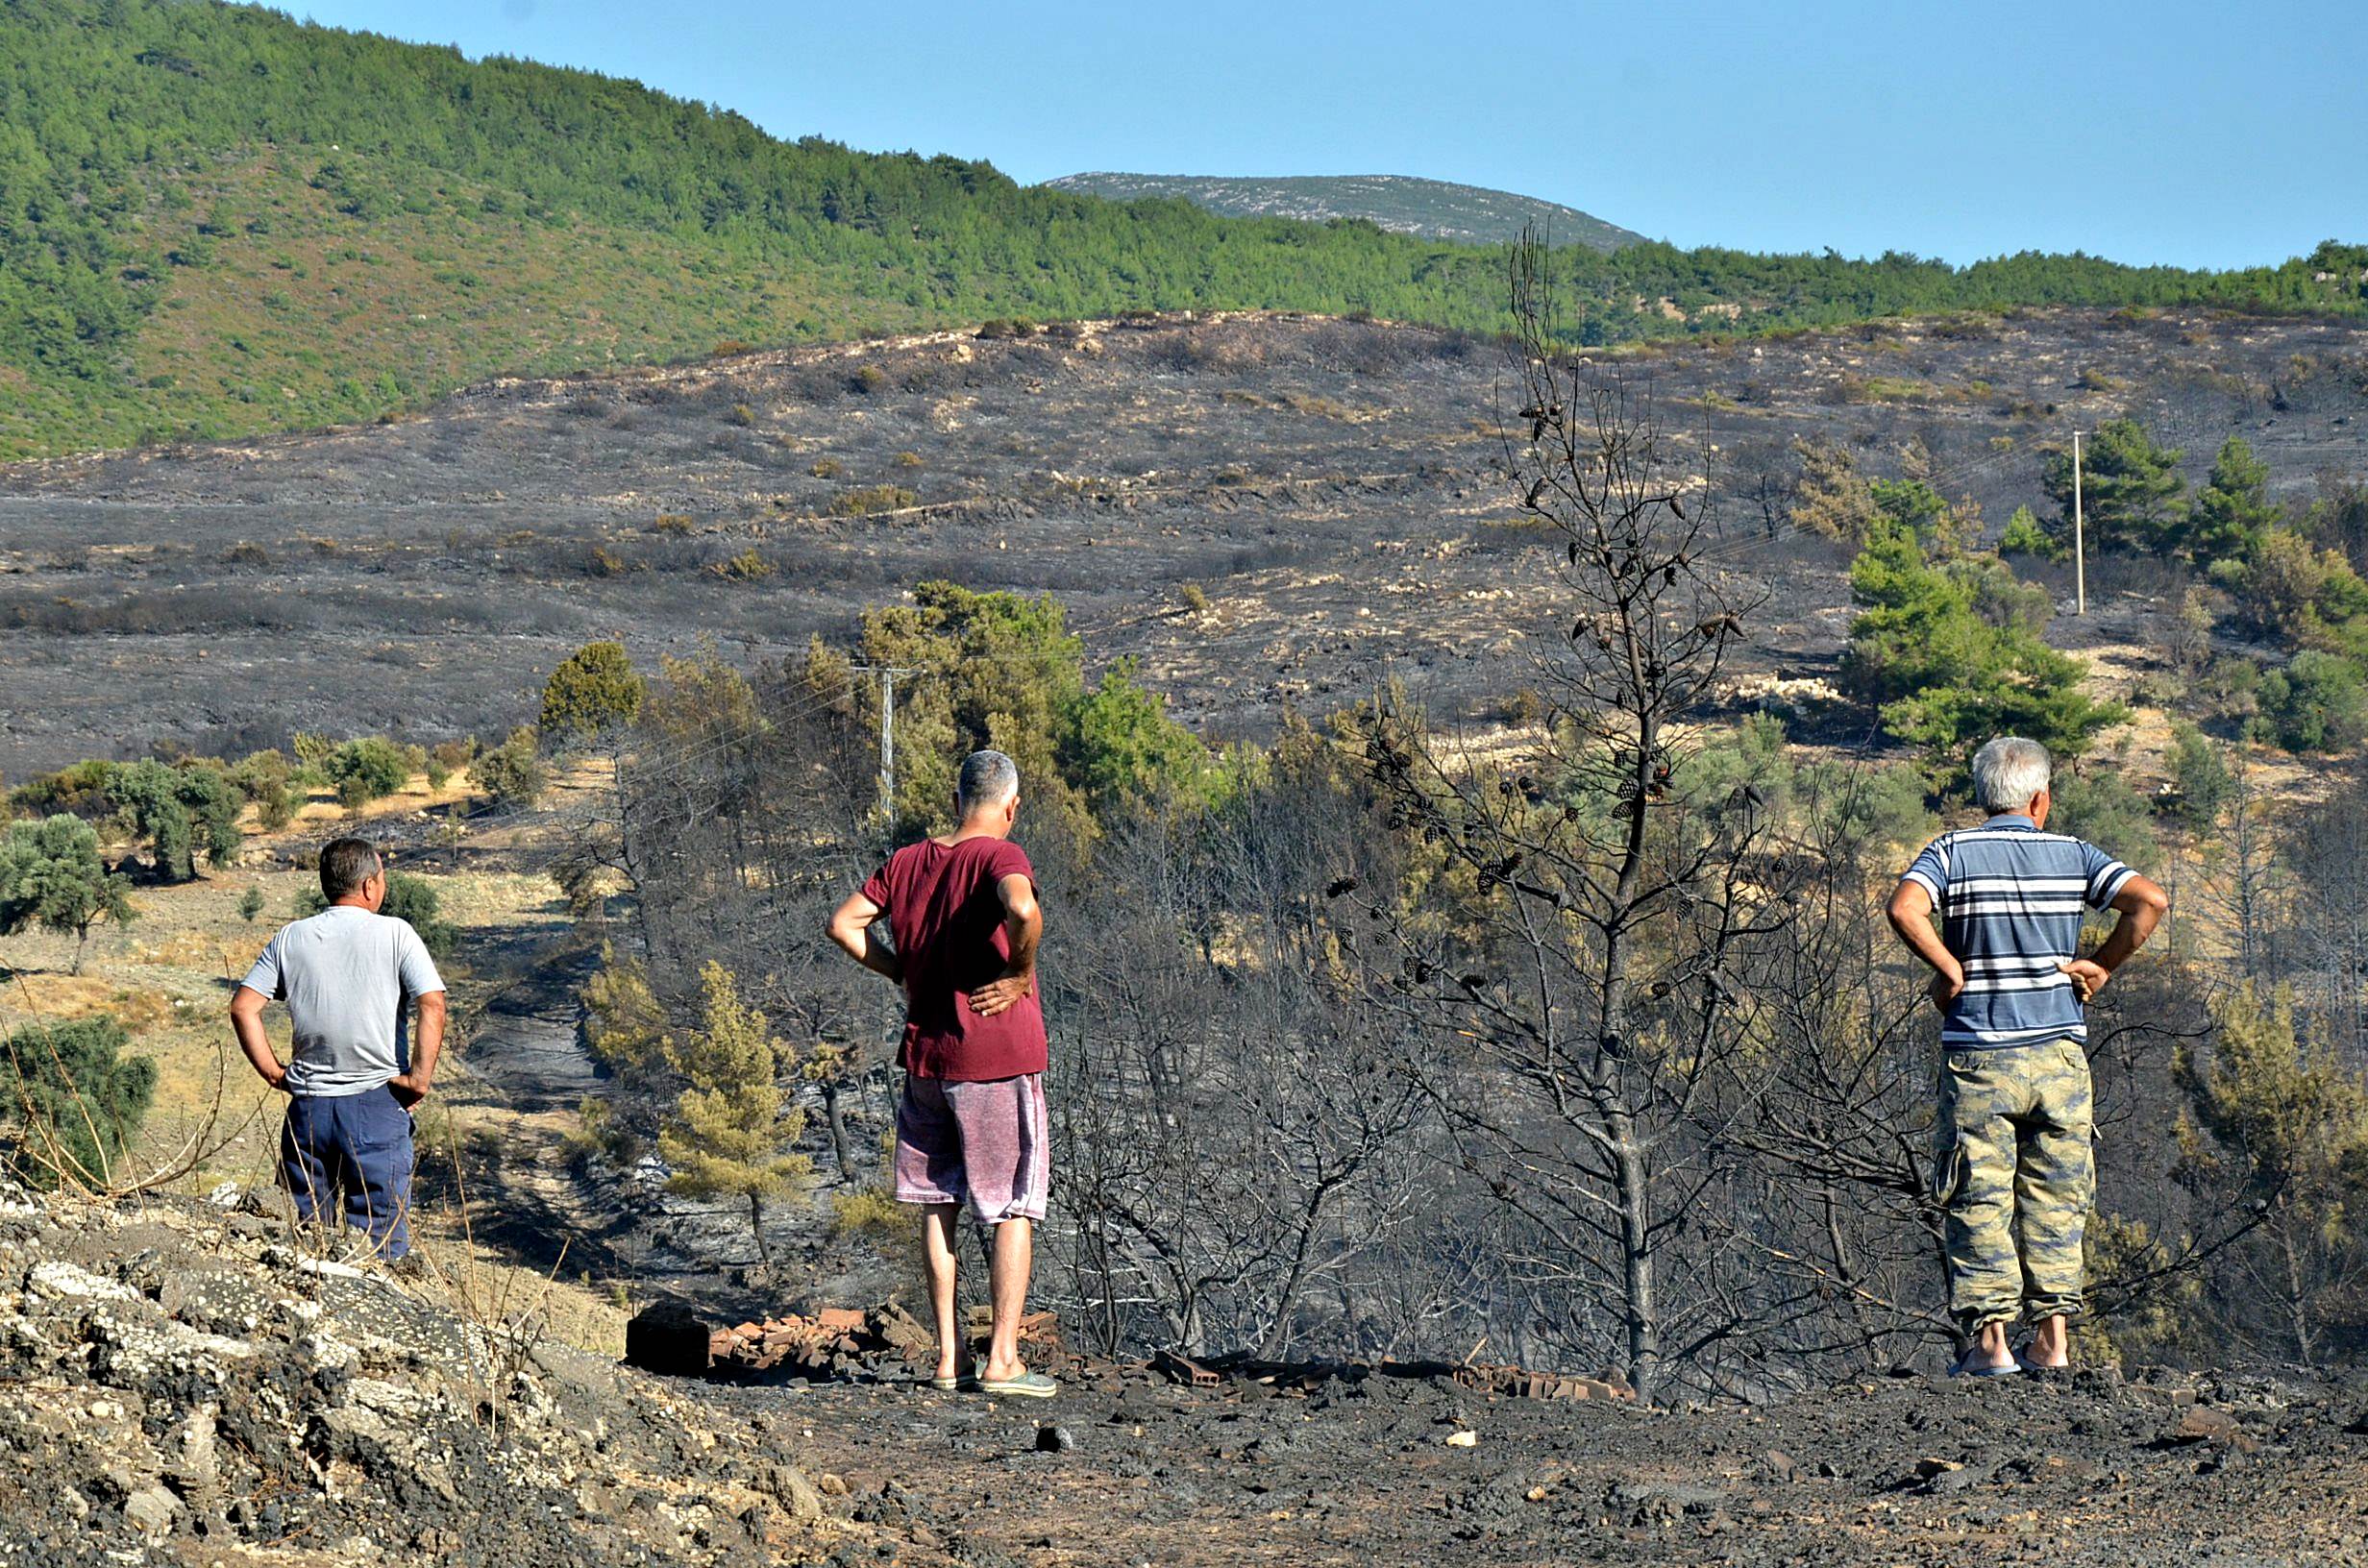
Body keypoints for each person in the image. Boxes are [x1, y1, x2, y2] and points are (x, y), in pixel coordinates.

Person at [1886, 736, 2168, 1376]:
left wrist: (1951, 970)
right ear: (2041, 799)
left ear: (1985, 797)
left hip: (1980, 1056)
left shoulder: (1951, 851)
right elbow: (2150, 901)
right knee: (2057, 1197)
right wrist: (2101, 964)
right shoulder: (2073, 855)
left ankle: (1990, 1349)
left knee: (1978, 1196)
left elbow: (1905, 908)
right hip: (2058, 1056)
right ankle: (2053, 1343)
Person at [827, 749, 1054, 1399]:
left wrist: (899, 969)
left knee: (937, 1202)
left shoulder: (905, 862)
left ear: (958, 801)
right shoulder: (1001, 857)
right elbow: (1024, 912)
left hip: (925, 1057)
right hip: (995, 1060)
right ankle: (1002, 1361)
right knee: (1010, 1204)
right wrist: (1018, 973)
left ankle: (948, 1360)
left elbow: (843, 925)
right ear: (1010, 806)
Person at [230, 837, 446, 1261]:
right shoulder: (396, 933)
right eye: (382, 877)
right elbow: (432, 1003)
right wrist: (417, 1081)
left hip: (308, 1109)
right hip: (376, 1105)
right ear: (369, 886)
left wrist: (277, 1074)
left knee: (307, 1245)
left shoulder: (290, 937)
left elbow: (243, 1008)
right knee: (379, 1248)